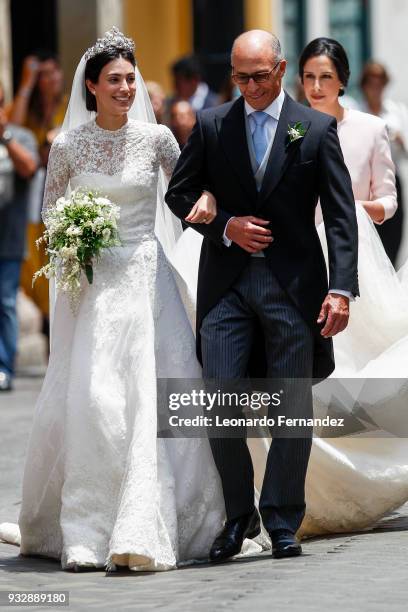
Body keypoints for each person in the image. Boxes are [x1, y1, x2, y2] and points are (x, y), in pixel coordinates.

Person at [0, 28, 270, 571]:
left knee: (155, 396)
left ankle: (159, 519)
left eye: (130, 79)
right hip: (95, 290)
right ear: (92, 87)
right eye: (115, 81)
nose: (126, 88)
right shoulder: (69, 147)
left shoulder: (158, 139)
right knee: (97, 401)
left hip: (148, 282)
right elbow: (50, 216)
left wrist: (212, 207)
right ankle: (87, 526)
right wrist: (76, 236)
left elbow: (189, 192)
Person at [166, 30, 359, 561]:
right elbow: (179, 192)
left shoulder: (315, 129)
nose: (248, 86)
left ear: (279, 71)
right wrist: (225, 225)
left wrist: (341, 289)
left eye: (258, 76)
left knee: (291, 406)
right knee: (220, 398)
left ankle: (281, 519)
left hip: (294, 288)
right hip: (226, 286)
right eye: (238, 77)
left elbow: (342, 218)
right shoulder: (210, 125)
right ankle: (237, 517)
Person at [294, 38, 408, 536]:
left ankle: (369, 465)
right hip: (301, 258)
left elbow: (389, 199)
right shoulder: (290, 125)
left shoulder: (370, 128)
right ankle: (316, 476)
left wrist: (351, 215)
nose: (316, 87)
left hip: (354, 256)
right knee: (314, 367)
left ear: (342, 79)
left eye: (325, 77)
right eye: (308, 77)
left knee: (360, 366)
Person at [9, 51, 67, 340]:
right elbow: (14, 130)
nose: (50, 79)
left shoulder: (69, 106)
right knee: (32, 264)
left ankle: (53, 329)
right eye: (44, 74)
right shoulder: (28, 109)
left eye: (53, 72)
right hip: (33, 198)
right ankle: (46, 322)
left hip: (64, 196)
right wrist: (26, 84)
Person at [0, 82, 38, 391]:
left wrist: (5, 136)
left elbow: (29, 167)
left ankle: (4, 368)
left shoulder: (20, 136)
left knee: (5, 302)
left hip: (9, 240)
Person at [360, 61, 408, 265]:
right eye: (371, 82)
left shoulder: (396, 112)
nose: (376, 87)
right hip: (365, 182)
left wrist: (399, 139)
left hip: (391, 180)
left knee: (393, 239)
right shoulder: (355, 110)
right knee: (368, 243)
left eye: (380, 82)